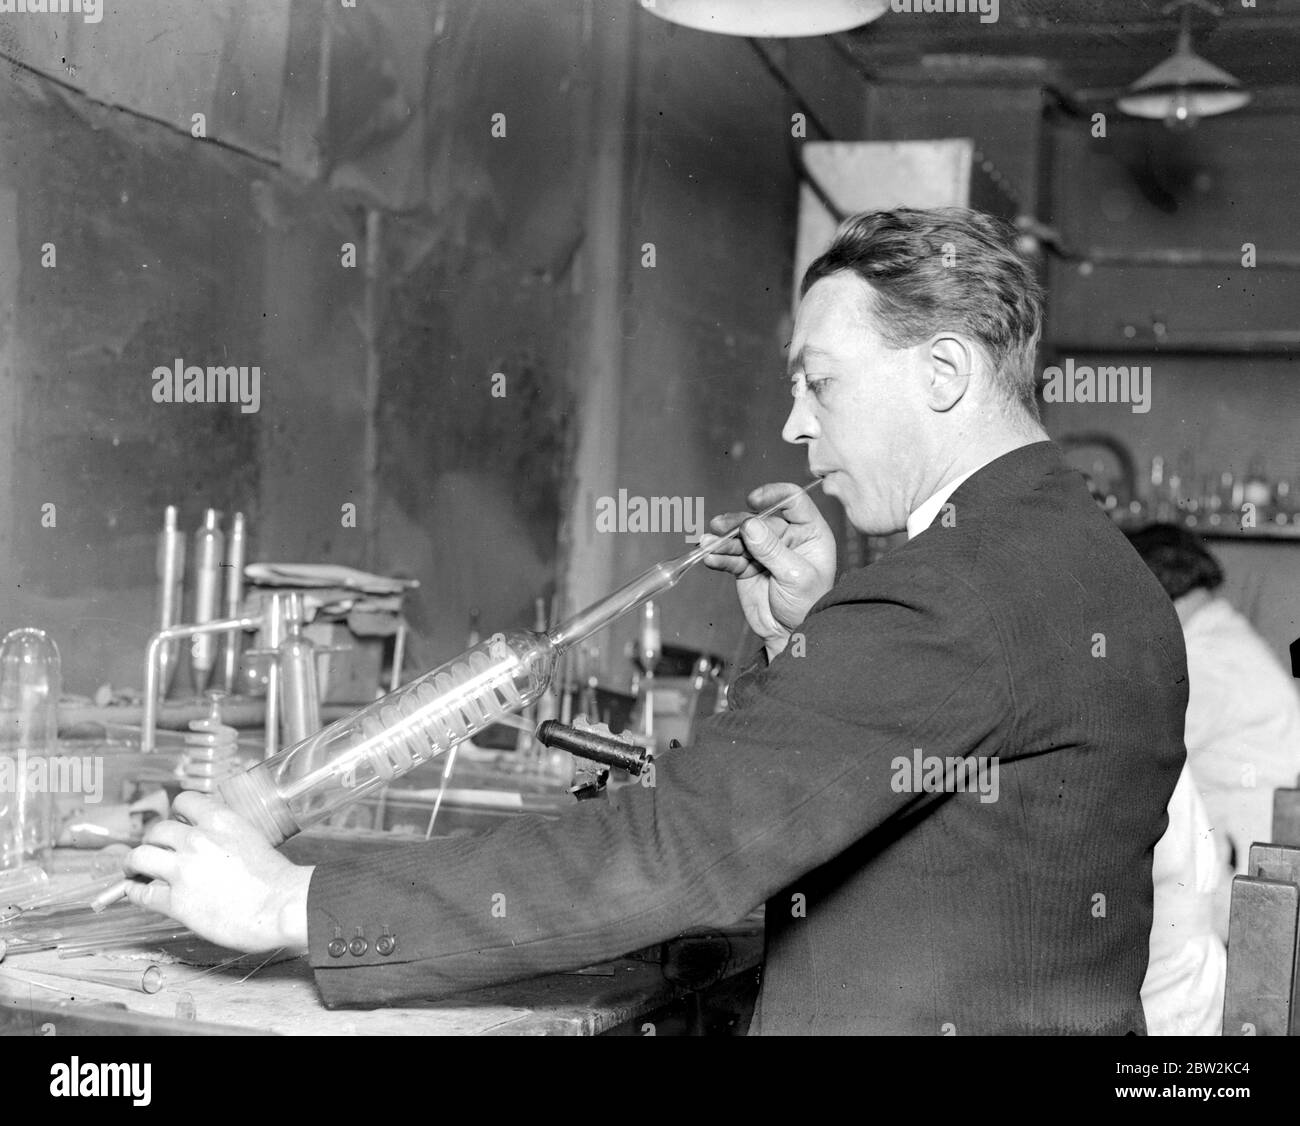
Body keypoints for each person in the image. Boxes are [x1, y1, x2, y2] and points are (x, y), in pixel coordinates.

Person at [125, 207, 1187, 1034]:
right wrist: (814, 633)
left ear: (944, 372)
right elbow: (947, 792)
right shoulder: (1091, 567)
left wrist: (288, 903)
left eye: (818, 382)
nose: (792, 422)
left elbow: (672, 848)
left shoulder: (951, 589)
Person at [1127, 523, 1300, 938]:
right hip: (1256, 857)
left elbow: (1137, 758)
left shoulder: (1203, 657)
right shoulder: (1216, 634)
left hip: (1252, 867)